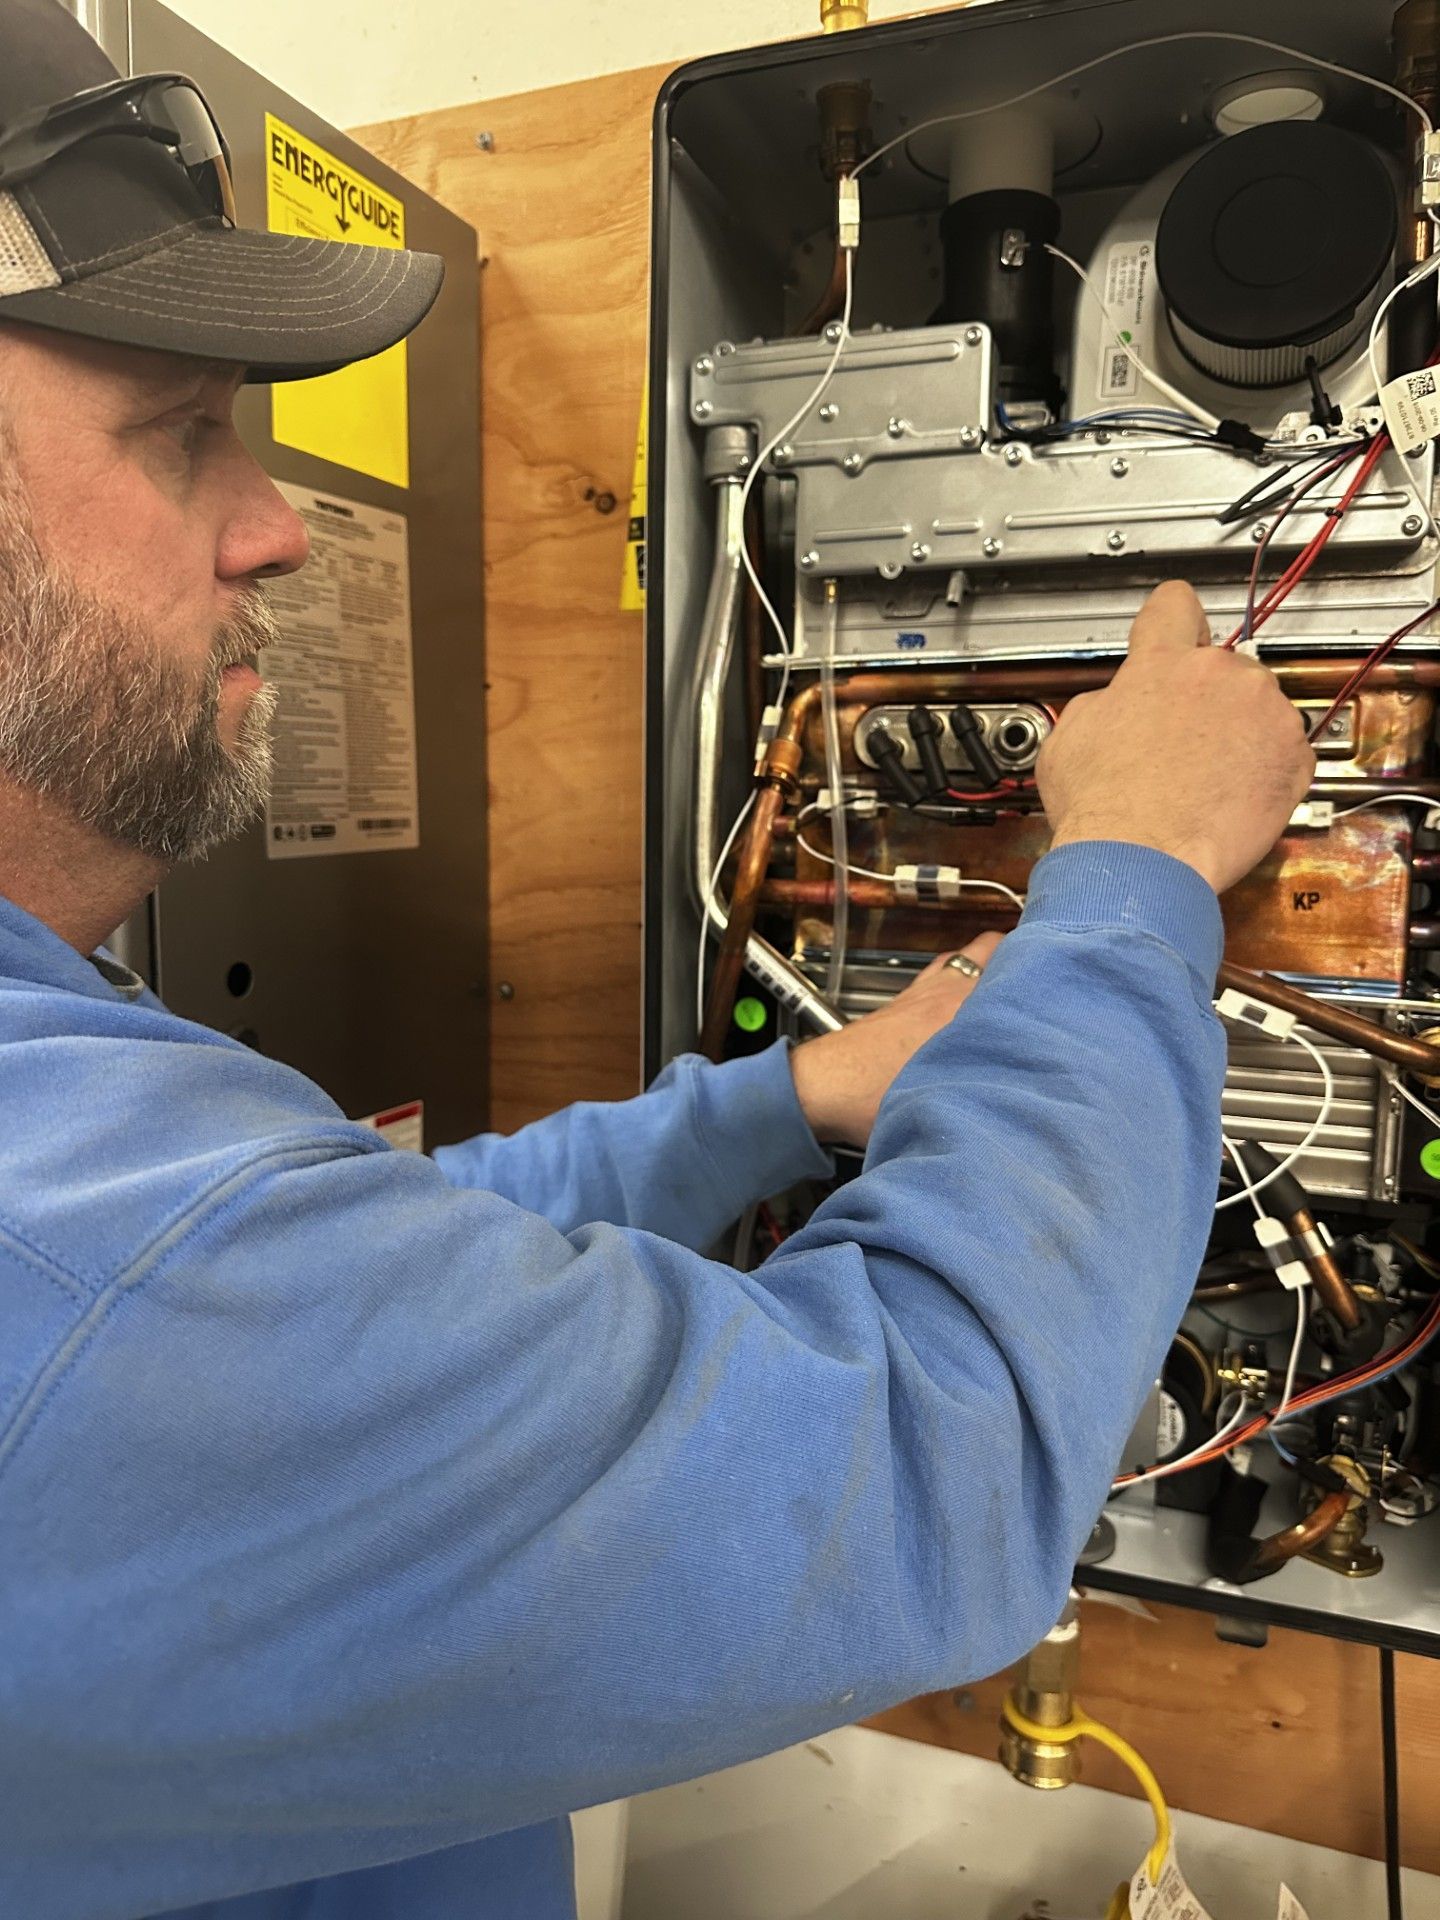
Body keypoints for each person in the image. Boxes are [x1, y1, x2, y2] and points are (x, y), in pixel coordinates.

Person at [0, 5, 1314, 1918]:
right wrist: (1139, 865)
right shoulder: (77, 1254)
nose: (278, 529)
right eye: (181, 432)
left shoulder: (75, 1119)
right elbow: (928, 1461)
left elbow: (344, 1259)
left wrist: (782, 1101)